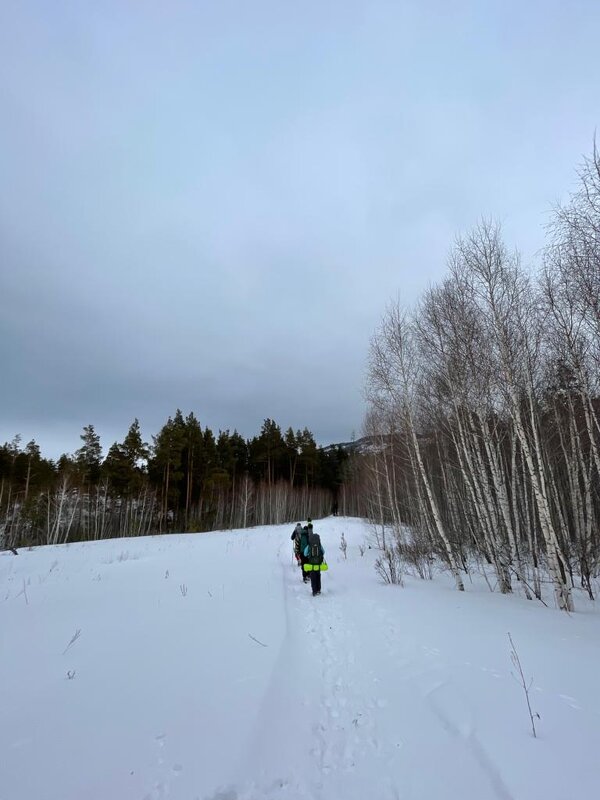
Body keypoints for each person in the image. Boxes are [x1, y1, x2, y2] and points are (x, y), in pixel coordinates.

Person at [304, 522, 325, 596]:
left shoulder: (309, 545)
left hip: (311, 564)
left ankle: (314, 591)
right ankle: (319, 590)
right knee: (318, 576)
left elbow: (305, 553)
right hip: (318, 563)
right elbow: (323, 551)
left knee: (313, 577)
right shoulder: (319, 545)